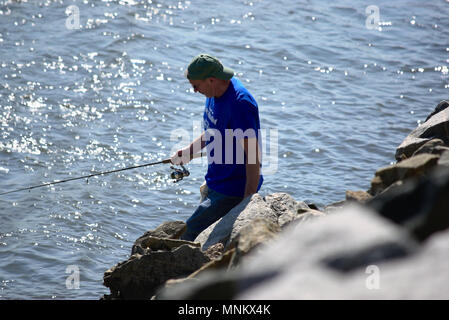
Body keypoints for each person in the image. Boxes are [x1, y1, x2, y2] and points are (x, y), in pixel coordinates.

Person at [171, 53, 263, 241]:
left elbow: (253, 156)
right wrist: (188, 151)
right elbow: (214, 130)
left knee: (188, 233)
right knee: (194, 231)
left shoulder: (240, 103)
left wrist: (247, 202)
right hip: (215, 180)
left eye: (196, 86)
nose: (195, 91)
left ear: (211, 80)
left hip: (232, 190)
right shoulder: (215, 91)